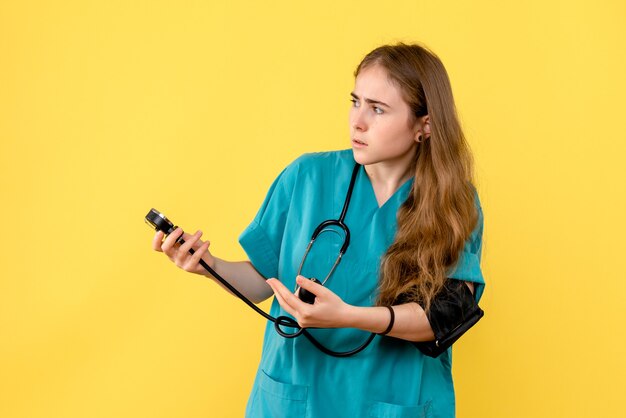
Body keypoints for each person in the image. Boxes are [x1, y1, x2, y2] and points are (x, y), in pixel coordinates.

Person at [152, 42, 485, 418]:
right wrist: (208, 264)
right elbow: (266, 281)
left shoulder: (452, 203)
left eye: (377, 109)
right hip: (296, 400)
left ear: (424, 126)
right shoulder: (305, 178)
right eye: (355, 101)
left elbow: (444, 316)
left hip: (394, 402)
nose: (358, 121)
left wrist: (348, 316)